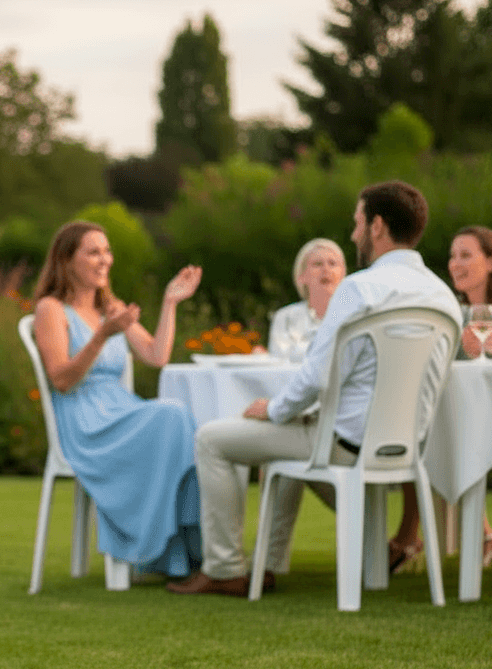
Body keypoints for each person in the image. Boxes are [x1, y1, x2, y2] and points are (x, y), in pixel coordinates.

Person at [169, 181, 463, 597]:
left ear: (377, 226)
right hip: (408, 447)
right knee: (292, 432)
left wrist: (273, 409)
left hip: (343, 444)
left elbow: (315, 376)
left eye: (357, 223)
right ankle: (271, 565)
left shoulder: (359, 288)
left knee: (212, 439)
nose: (354, 235)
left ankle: (224, 568)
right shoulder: (443, 296)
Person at [33, 220, 204, 575]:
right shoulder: (51, 309)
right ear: (66, 260)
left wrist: (170, 302)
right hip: (86, 420)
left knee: (178, 418)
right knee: (172, 415)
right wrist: (101, 336)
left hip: (120, 408)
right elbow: (61, 380)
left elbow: (156, 355)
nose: (104, 260)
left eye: (107, 252)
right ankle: (183, 548)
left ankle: (192, 545)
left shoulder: (110, 308)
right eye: (93, 252)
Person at [388, 224, 492, 571]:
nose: (455, 263)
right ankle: (477, 534)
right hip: (458, 412)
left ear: (490, 262)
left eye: (466, 255)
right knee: (420, 426)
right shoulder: (450, 313)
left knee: (438, 430)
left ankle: (409, 538)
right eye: (452, 256)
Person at [267, 239, 346, 361]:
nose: (326, 269)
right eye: (318, 264)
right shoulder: (285, 317)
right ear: (301, 276)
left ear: (343, 274)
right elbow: (280, 358)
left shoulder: (353, 315)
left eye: (332, 264)